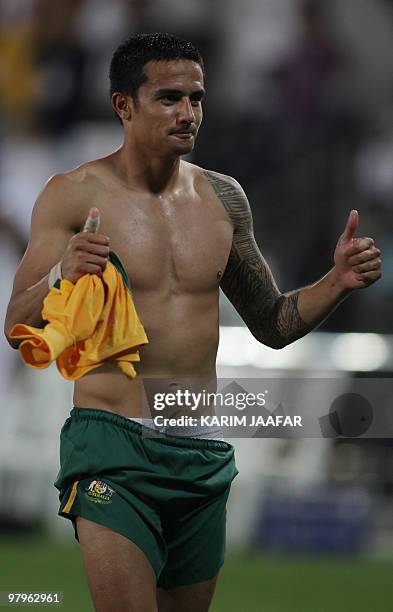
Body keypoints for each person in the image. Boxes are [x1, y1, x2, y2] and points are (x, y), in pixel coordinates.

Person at [4, 32, 381, 612]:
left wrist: (336, 282)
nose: (188, 113)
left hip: (199, 452)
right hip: (112, 446)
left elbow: (274, 323)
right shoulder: (72, 195)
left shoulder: (225, 200)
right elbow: (16, 322)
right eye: (169, 98)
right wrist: (61, 274)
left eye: (197, 98)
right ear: (123, 105)